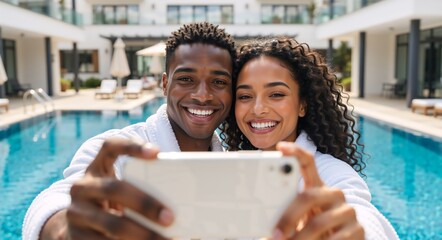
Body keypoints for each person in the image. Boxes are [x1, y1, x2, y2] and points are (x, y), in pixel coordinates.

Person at [23, 22, 236, 240]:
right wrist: (63, 230)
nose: (202, 95)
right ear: (164, 84)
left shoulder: (236, 164)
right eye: (185, 79)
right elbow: (59, 197)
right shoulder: (117, 152)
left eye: (219, 81)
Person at [220, 37, 399, 239]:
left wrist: (348, 232)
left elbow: (359, 214)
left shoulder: (330, 172)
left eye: (276, 94)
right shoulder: (234, 170)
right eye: (245, 96)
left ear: (302, 105)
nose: (258, 109)